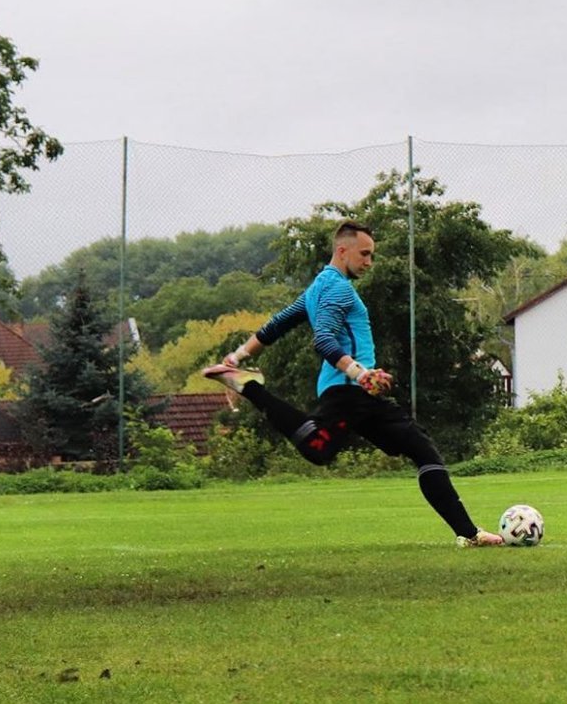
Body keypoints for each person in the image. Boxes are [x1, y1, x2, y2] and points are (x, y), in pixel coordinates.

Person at [202, 219, 503, 547]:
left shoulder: (317, 289)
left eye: (371, 255)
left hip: (358, 394)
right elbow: (324, 340)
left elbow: (276, 325)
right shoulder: (338, 289)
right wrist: (361, 373)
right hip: (351, 392)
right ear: (342, 250)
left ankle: (469, 533)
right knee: (319, 448)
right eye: (364, 254)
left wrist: (237, 355)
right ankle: (252, 388)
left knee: (420, 448)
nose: (369, 262)